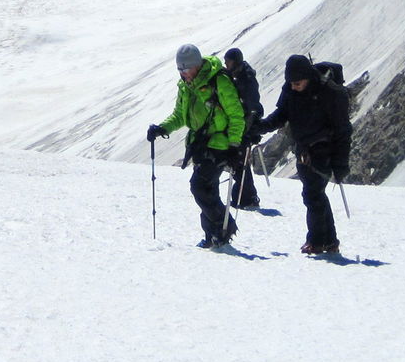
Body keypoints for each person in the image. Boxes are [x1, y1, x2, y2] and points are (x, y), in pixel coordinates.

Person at [147, 44, 246, 247]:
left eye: (187, 69)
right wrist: (162, 129)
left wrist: (235, 145)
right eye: (180, 70)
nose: (184, 74)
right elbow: (180, 116)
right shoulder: (185, 87)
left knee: (199, 186)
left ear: (198, 65)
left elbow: (236, 115)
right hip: (200, 144)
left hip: (220, 144)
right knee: (208, 190)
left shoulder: (218, 81)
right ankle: (213, 236)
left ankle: (223, 228)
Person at [252, 55, 349, 255]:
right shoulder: (290, 89)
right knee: (316, 195)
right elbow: (281, 115)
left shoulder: (328, 93)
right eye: (291, 83)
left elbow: (343, 131)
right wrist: (259, 127)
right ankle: (330, 242)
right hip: (304, 150)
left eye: (297, 83)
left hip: (324, 149)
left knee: (312, 195)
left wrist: (340, 164)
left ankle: (316, 242)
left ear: (307, 77)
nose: (294, 87)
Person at [222, 47, 264, 209]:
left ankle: (246, 198)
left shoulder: (246, 78)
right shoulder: (238, 75)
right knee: (240, 164)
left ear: (235, 61)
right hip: (241, 125)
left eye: (228, 61)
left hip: (244, 127)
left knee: (240, 163)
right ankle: (245, 197)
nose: (226, 64)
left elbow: (252, 105)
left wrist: (250, 126)